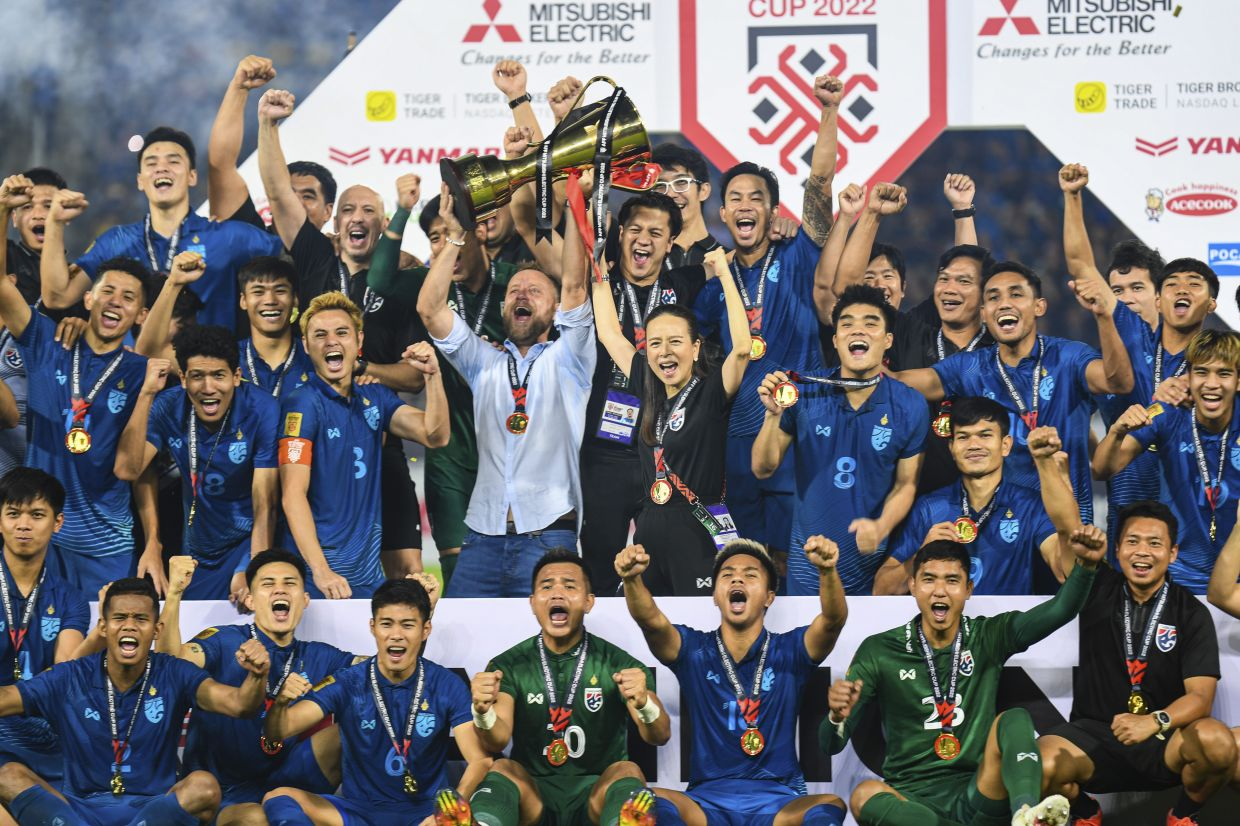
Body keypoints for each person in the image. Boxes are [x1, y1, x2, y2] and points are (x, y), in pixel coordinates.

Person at [822, 530, 1108, 826]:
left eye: (952, 580)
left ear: (968, 588)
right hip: (912, 802)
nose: (940, 591)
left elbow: (1060, 610)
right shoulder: (880, 649)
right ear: (913, 585)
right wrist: (836, 717)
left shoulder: (989, 635)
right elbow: (829, 745)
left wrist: (1086, 567)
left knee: (1014, 718)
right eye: (929, 579)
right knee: (863, 795)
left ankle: (1025, 814)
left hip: (979, 793)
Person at [258, 88, 428, 578]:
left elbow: (414, 377)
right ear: (335, 224)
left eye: (369, 211)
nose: (358, 217)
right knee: (307, 548)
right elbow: (278, 194)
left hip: (378, 432)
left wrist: (365, 369)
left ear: (384, 224)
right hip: (313, 425)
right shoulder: (314, 256)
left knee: (405, 567)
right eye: (349, 210)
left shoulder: (402, 282)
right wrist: (268, 125)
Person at [692, 74, 842, 567]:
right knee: (744, 560)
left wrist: (828, 110)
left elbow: (820, 187)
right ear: (722, 212)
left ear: (773, 209)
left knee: (795, 559)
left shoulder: (798, 256)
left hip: (796, 429)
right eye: (735, 198)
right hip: (736, 438)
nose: (744, 206)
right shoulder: (713, 285)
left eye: (755, 198)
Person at [418, 187, 595, 599]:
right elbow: (430, 309)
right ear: (503, 310)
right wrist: (456, 236)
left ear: (555, 311)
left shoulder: (570, 359)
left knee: (551, 638)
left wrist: (574, 201)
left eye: (535, 291)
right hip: (482, 534)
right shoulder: (484, 363)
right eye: (514, 291)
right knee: (460, 640)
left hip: (549, 534)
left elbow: (574, 285)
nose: (521, 295)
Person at [0, 577, 271, 826]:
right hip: (79, 810)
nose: (129, 625)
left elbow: (239, 705)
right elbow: (7, 699)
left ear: (156, 629)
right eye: (119, 617)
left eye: (141, 618)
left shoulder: (175, 672)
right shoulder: (71, 676)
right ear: (103, 627)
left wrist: (257, 676)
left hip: (153, 810)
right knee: (8, 775)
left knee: (204, 787)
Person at [616, 538, 847, 825]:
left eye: (750, 574)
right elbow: (651, 622)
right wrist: (632, 579)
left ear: (769, 597)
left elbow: (832, 621)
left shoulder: (791, 651)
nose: (737, 578)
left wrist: (827, 571)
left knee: (829, 805)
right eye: (727, 575)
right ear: (715, 595)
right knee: (645, 803)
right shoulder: (693, 652)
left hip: (779, 801)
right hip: (707, 802)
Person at [1038, 501, 1235, 826]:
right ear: (1117, 550)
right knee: (1038, 764)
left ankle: (1183, 814)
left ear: (1173, 553)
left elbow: (1201, 698)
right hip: (1096, 736)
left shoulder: (1190, 611)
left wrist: (1155, 721)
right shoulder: (1095, 587)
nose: (1142, 551)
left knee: (1218, 743)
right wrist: (1049, 470)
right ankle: (1085, 813)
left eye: (1155, 543)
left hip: (1163, 739)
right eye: (1132, 541)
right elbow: (1064, 524)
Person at [367, 177, 520, 589]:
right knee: (459, 566)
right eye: (435, 238)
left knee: (515, 562)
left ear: (479, 232)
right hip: (450, 447)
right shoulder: (430, 286)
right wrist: (402, 210)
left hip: (509, 444)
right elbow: (379, 280)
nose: (442, 246)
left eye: (452, 234)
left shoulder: (516, 283)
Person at [894, 260, 1135, 522]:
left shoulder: (1069, 357)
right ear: (984, 313)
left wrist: (1104, 318)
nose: (1004, 304)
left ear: (1039, 306)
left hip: (1069, 527)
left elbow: (1118, 382)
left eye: (1016, 294)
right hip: (999, 530)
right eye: (993, 297)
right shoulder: (971, 367)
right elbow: (900, 382)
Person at [442, 548, 668, 825]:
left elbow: (660, 735)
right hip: (534, 796)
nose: (557, 594)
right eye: (547, 586)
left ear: (589, 601)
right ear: (532, 602)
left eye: (569, 586)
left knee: (627, 770)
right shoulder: (508, 664)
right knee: (503, 767)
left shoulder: (619, 664)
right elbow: (496, 740)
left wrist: (645, 704)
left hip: (596, 794)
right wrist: (482, 712)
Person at [1060, 163, 1209, 547]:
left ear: (1160, 294)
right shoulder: (1111, 351)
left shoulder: (1209, 355)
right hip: (1126, 510)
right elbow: (1082, 267)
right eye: (1117, 290)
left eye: (1137, 288)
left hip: (1192, 512)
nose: (1126, 298)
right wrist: (1073, 196)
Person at [261, 578, 490, 826]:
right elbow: (278, 731)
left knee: (463, 821)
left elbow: (480, 760)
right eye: (386, 624)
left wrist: (450, 808)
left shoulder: (446, 684)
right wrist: (281, 702)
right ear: (373, 627)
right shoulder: (348, 682)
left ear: (425, 630)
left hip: (426, 815)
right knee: (279, 798)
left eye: (407, 625)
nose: (396, 635)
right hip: (360, 813)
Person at [155, 550, 359, 826]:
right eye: (268, 583)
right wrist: (175, 593)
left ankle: (372, 814)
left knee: (345, 734)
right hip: (222, 792)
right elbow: (169, 665)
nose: (280, 589)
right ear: (250, 600)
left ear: (305, 599)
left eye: (289, 583)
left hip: (283, 783)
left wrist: (414, 615)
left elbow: (379, 668)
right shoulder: (224, 641)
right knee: (257, 819)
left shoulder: (320, 655)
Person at [590, 246, 746, 594]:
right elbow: (609, 334)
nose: (664, 351)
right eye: (655, 343)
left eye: (675, 341)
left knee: (699, 620)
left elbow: (741, 349)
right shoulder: (646, 382)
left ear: (695, 348)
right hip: (649, 524)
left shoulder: (712, 389)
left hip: (699, 524)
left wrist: (724, 275)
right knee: (645, 619)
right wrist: (597, 269)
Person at [753, 284, 927, 595]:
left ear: (888, 340)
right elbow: (762, 468)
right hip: (808, 573)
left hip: (869, 571)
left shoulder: (910, 404)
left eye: (870, 323)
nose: (857, 330)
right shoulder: (804, 393)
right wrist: (772, 417)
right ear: (835, 340)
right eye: (847, 324)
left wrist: (882, 526)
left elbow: (906, 484)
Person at [0, 242, 151, 594]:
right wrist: (3, 215)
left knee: (108, 629)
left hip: (106, 544)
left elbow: (135, 469)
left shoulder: (143, 373)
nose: (115, 301)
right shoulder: (47, 343)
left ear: (141, 315)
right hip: (40, 535)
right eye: (107, 291)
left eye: (128, 297)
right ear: (87, 299)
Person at [579, 188, 709, 594]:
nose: (644, 240)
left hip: (663, 453)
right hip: (605, 454)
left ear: (671, 244)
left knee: (667, 569)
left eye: (656, 233)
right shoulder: (596, 280)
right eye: (635, 229)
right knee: (601, 568)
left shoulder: (683, 285)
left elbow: (723, 263)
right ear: (620, 235)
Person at [279, 292, 449, 600]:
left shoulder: (375, 397)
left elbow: (435, 435)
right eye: (320, 335)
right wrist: (321, 571)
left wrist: (433, 376)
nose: (331, 341)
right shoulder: (302, 404)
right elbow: (292, 494)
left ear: (359, 340)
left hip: (367, 578)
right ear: (306, 345)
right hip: (317, 581)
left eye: (341, 332)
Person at [39, 127, 283, 330]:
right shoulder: (115, 242)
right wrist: (55, 224)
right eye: (151, 163)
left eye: (173, 161)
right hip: (135, 372)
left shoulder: (229, 237)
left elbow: (294, 254)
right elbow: (57, 297)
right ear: (140, 180)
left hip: (208, 370)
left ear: (192, 176)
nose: (161, 168)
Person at [114, 322, 280, 602]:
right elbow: (128, 469)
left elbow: (266, 502)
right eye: (197, 376)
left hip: (248, 542)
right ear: (182, 378)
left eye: (218, 375)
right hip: (197, 549)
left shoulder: (261, 408)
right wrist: (146, 394)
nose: (208, 388)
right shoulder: (168, 405)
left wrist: (254, 568)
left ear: (236, 376)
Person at [874, 402, 1074, 596]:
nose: (974, 445)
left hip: (1011, 619)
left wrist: (1057, 479)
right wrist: (921, 555)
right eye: (963, 437)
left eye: (985, 435)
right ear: (952, 448)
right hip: (945, 618)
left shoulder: (1029, 505)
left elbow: (1066, 572)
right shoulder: (929, 507)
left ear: (1005, 445)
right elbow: (881, 589)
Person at [1093, 330, 1240, 594]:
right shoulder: (1167, 412)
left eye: (1224, 374)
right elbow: (1102, 469)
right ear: (1188, 378)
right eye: (1202, 372)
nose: (1212, 383)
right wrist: (1116, 431)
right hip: (1178, 579)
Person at [0, 468, 93, 795]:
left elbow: (64, 672)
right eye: (13, 514)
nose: (23, 525)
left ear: (58, 522)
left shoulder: (70, 599)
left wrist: (100, 636)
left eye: (37, 515)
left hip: (43, 738)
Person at [205, 55, 337, 231]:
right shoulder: (250, 239)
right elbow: (221, 165)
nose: (296, 203)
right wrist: (239, 88)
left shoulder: (340, 248)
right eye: (289, 194)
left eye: (308, 196)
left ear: (327, 212)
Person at [236, 256, 314, 400]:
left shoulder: (315, 358)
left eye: (280, 291)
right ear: (243, 301)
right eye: (258, 292)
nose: (270, 300)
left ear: (295, 299)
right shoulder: (229, 359)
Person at [1, 168, 69, 308]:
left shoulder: (79, 278)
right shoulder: (6, 258)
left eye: (48, 206)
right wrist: (2, 207)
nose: (38, 215)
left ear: (67, 215)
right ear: (14, 218)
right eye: (27, 207)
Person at [650, 143, 721, 269]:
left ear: (703, 191)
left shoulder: (730, 261)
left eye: (681, 182)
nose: (670, 194)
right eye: (660, 185)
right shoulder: (641, 262)